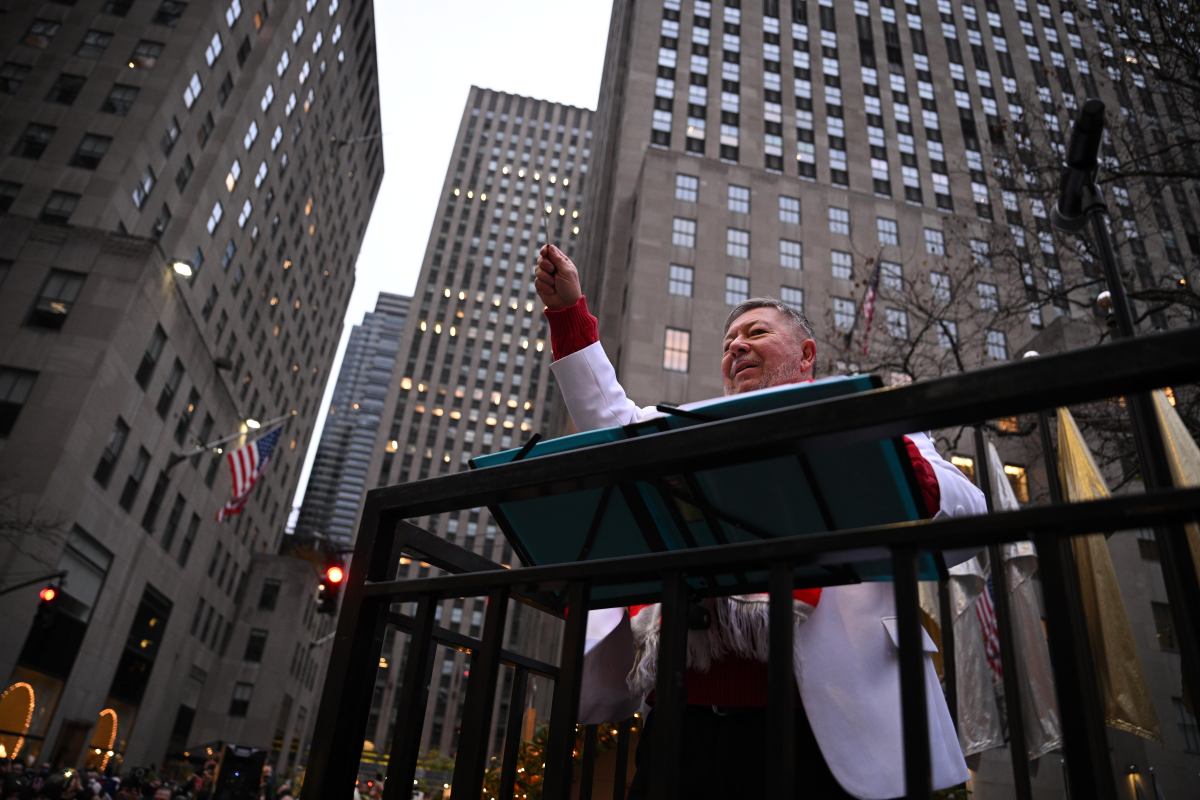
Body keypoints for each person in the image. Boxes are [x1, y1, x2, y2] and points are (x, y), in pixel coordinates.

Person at [534, 244, 986, 799]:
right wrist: (568, 314)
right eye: (728, 343)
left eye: (755, 334)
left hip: (822, 725)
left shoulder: (862, 422)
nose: (737, 346)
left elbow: (967, 510)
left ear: (805, 354)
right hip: (684, 727)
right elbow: (611, 420)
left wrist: (873, 450)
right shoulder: (685, 429)